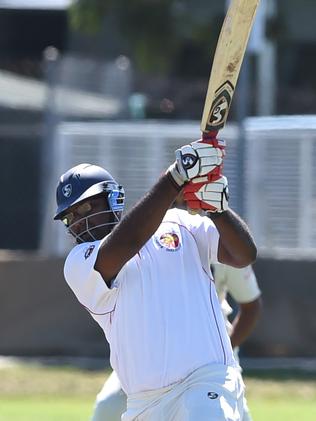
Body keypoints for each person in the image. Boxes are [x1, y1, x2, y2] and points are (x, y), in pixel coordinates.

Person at [54, 135, 257, 421]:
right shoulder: (78, 264)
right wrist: (175, 177)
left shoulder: (180, 223)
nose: (78, 220)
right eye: (69, 216)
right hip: (145, 403)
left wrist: (218, 210)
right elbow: (127, 242)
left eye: (87, 208)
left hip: (207, 380)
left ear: (114, 199)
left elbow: (243, 255)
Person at [90, 264, 262, 421]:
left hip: (210, 362)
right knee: (108, 406)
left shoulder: (221, 237)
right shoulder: (144, 238)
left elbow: (251, 305)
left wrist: (220, 351)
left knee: (220, 413)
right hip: (153, 357)